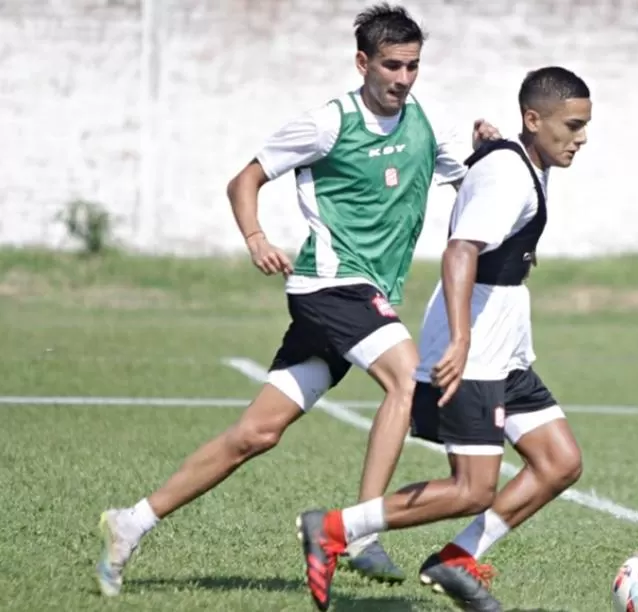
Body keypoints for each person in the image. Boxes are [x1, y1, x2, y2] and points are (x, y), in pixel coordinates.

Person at [95, 2, 502, 597]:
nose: (403, 78)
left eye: (413, 66)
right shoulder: (327, 123)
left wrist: (487, 154)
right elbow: (244, 181)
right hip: (329, 286)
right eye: (391, 65)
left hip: (361, 299)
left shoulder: (424, 126)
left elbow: (469, 184)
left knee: (255, 435)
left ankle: (130, 522)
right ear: (362, 62)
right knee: (405, 381)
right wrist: (257, 238)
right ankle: (361, 531)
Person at [295, 66, 592, 612]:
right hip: (474, 340)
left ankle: (456, 560)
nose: (581, 138)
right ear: (534, 119)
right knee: (472, 488)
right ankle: (333, 527)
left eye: (584, 126)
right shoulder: (509, 174)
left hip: (503, 340)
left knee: (559, 461)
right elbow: (460, 251)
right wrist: (459, 339)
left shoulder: (524, 158)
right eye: (572, 126)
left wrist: (493, 143)